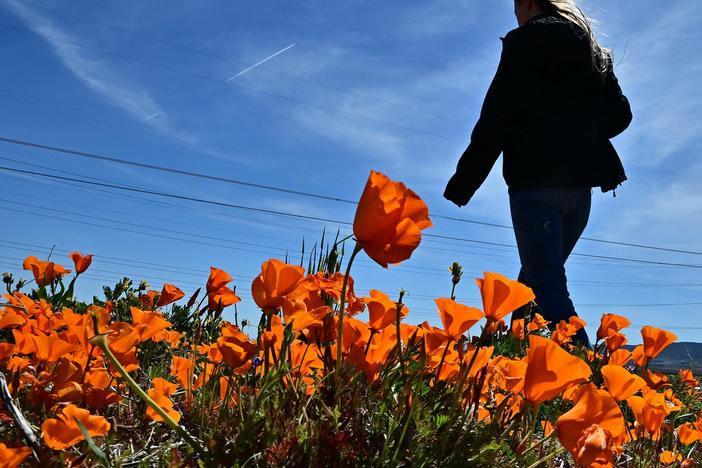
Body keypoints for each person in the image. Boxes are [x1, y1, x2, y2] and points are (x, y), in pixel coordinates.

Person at [443, 0, 633, 347]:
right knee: (532, 283)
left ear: (528, 3)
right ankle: (508, 359)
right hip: (580, 187)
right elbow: (620, 116)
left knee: (545, 283)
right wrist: (578, 129)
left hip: (535, 183)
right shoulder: (592, 49)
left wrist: (464, 183)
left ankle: (586, 373)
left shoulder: (525, 42)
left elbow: (495, 119)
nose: (516, 15)